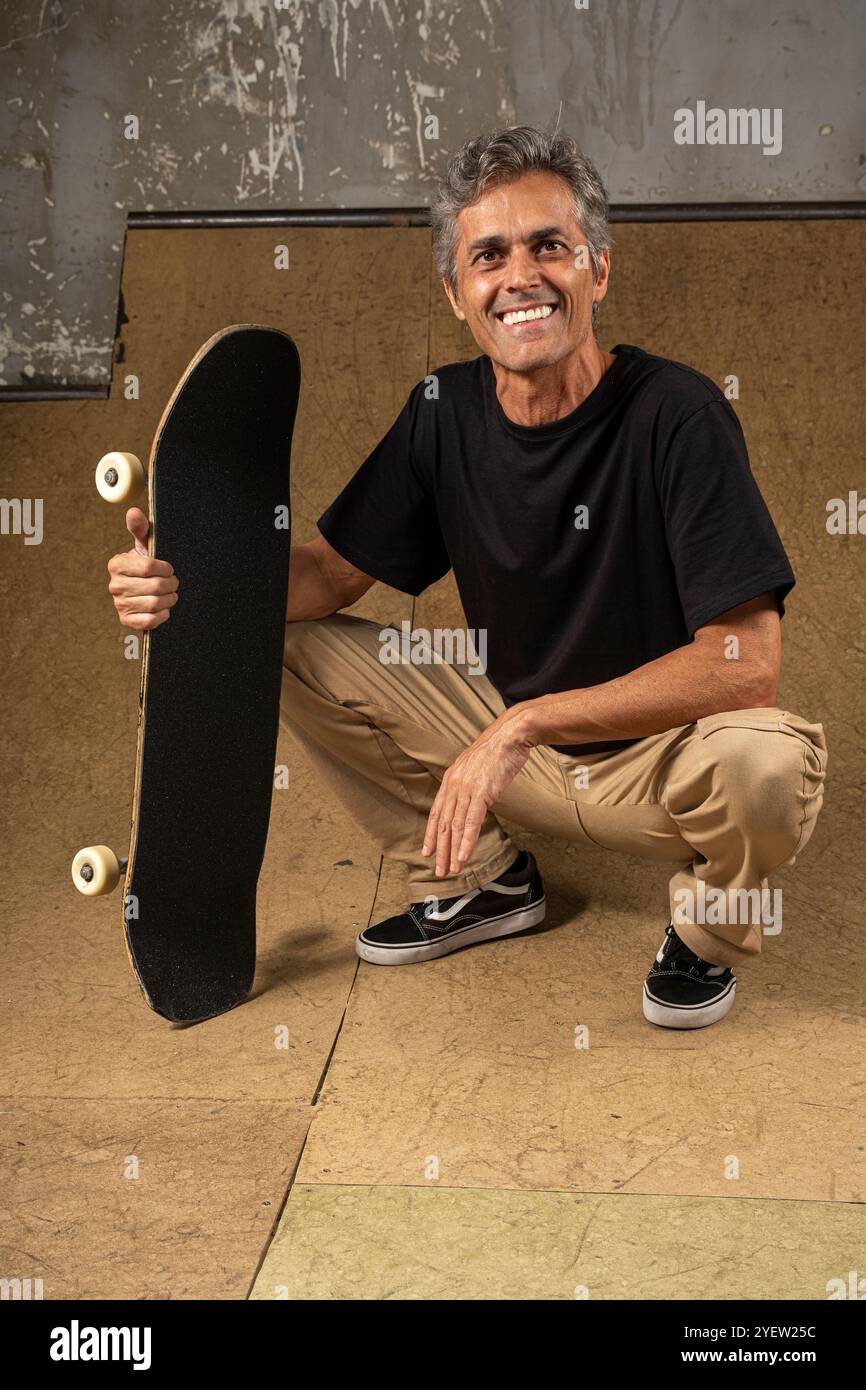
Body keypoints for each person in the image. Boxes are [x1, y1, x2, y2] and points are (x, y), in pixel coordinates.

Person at [106, 124, 827, 1031]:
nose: (520, 277)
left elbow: (743, 665)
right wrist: (185, 586)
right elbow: (326, 578)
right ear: (457, 292)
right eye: (489, 255)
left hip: (660, 763)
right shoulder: (442, 416)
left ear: (597, 269)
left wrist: (526, 724)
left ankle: (710, 936)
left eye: (549, 247)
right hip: (507, 744)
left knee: (766, 760)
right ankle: (480, 882)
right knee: (276, 636)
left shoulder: (677, 416)